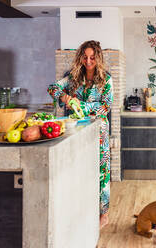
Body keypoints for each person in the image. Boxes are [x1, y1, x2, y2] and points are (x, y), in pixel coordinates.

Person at [47, 40, 113, 229]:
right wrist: (63, 96)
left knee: (102, 172)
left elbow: (105, 106)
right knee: (79, 170)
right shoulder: (73, 78)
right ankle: (81, 210)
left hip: (99, 132)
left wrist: (81, 105)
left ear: (98, 58)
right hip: (76, 131)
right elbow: (52, 87)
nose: (88, 61)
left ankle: (104, 214)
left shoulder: (106, 80)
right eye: (85, 57)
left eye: (92, 57)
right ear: (80, 57)